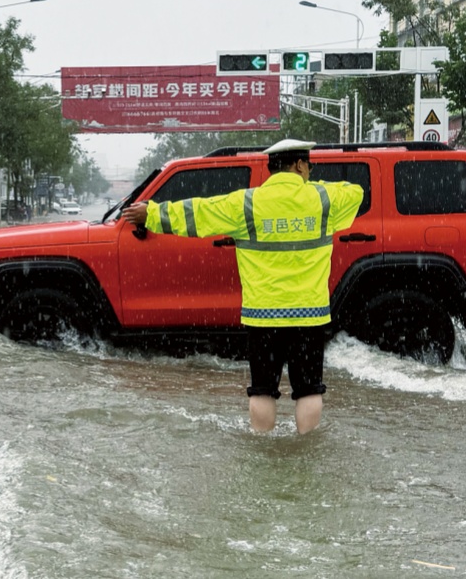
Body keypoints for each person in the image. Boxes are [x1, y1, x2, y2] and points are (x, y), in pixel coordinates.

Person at [120, 139, 363, 434]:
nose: (311, 172)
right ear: (300, 165)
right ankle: (306, 448)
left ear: (271, 169)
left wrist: (154, 214)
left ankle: (261, 448)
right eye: (308, 166)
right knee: (310, 390)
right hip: (310, 315)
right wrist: (304, 188)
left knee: (262, 390)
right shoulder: (324, 200)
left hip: (263, 316)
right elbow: (356, 192)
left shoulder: (245, 203)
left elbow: (199, 212)